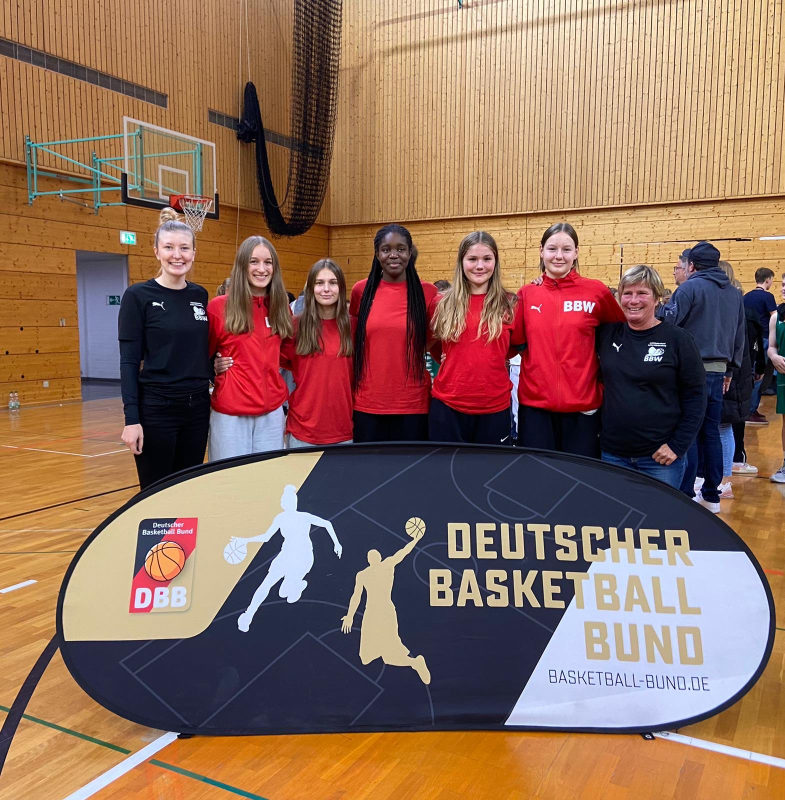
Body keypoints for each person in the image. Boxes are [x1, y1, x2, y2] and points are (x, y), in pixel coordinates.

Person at [118, 208, 211, 490]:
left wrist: (213, 365)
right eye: (169, 247)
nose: (177, 255)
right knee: (156, 492)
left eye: (184, 248)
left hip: (197, 408)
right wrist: (132, 420)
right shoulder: (138, 296)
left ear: (194, 252)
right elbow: (129, 362)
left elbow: (193, 349)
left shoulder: (199, 295)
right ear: (156, 251)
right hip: (158, 409)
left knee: (187, 488)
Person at [516, 222, 625, 457]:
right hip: (536, 409)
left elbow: (620, 339)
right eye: (552, 249)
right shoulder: (527, 294)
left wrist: (601, 386)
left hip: (583, 409)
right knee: (538, 474)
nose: (559, 256)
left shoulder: (596, 292)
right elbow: (513, 343)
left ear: (576, 253)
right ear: (541, 251)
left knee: (578, 476)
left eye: (566, 249)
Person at [596, 265, 705, 488]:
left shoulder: (678, 340)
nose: (633, 300)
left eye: (642, 293)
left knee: (660, 512)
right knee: (615, 511)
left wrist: (677, 445)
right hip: (613, 454)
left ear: (657, 298)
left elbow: (696, 397)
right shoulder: (608, 335)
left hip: (659, 458)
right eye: (627, 293)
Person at [661, 241, 745, 512]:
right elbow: (739, 335)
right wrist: (730, 370)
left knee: (688, 432)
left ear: (692, 265)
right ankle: (711, 495)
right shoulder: (733, 293)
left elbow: (668, 323)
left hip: (689, 370)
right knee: (711, 431)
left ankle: (686, 493)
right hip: (719, 371)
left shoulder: (689, 288)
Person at [428, 231, 523, 444]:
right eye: (472, 259)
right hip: (448, 406)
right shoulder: (441, 303)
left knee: (490, 466)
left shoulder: (510, 304)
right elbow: (435, 344)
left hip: (494, 407)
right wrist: (453, 359)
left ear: (495, 262)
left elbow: (513, 347)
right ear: (462, 262)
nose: (480, 266)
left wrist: (488, 357)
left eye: (487, 259)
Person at [206, 236, 293, 460]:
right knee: (230, 478)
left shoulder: (281, 307)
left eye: (268, 262)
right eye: (254, 262)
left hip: (271, 413)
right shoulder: (219, 307)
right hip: (231, 414)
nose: (261, 269)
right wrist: (213, 365)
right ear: (242, 265)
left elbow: (288, 354)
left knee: (267, 477)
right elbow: (201, 355)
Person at [350, 224, 438, 442]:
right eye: (386, 249)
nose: (393, 255)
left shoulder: (428, 293)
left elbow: (431, 339)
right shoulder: (361, 291)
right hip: (368, 402)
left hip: (413, 404)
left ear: (409, 252)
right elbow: (354, 338)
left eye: (400, 249)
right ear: (377, 253)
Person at [232, 485, 342, 632]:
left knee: (283, 593)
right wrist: (246, 540)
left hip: (303, 556)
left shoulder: (303, 516)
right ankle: (248, 616)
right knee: (267, 584)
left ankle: (297, 585)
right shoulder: (281, 518)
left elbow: (327, 524)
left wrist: (337, 543)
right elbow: (266, 537)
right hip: (286, 555)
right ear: (283, 504)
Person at [340, 525, 430, 685]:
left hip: (385, 611)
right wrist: (349, 616)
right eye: (371, 556)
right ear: (369, 560)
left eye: (375, 556)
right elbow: (356, 596)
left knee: (389, 656)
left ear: (379, 558)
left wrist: (415, 540)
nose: (374, 558)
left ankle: (416, 663)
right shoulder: (362, 575)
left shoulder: (387, 565)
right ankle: (414, 662)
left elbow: (403, 552)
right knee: (365, 658)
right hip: (371, 613)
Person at [281, 259, 355, 448]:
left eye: (333, 282)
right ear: (311, 288)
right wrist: (221, 360)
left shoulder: (353, 327)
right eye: (320, 283)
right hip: (303, 431)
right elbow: (266, 359)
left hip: (343, 431)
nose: (326, 289)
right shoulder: (296, 326)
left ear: (341, 287)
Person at [744, 267, 778, 424]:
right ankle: (751, 410)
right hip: (763, 338)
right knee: (759, 374)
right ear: (768, 279)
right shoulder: (767, 297)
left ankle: (750, 408)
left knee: (751, 373)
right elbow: (775, 318)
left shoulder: (746, 296)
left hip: (749, 340)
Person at [767, 275, 785, 483]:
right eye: (783, 285)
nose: (783, 289)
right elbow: (772, 346)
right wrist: (774, 357)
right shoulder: (777, 316)